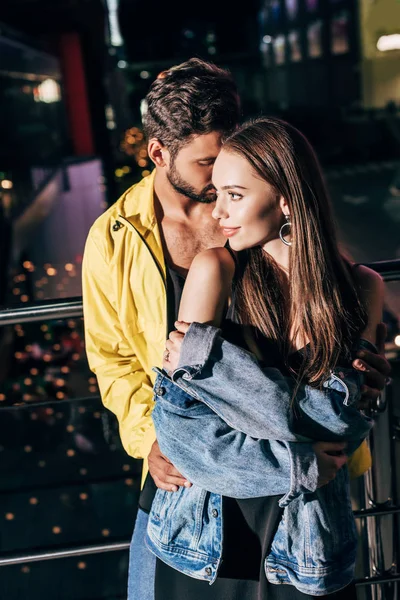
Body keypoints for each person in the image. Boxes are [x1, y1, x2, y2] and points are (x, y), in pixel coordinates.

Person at [81, 60, 390, 599]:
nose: (220, 194)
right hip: (195, 479)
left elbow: (337, 412)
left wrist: (214, 372)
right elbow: (116, 362)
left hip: (307, 512)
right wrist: (150, 435)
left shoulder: (301, 251)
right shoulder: (116, 238)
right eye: (208, 165)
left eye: (234, 180)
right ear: (159, 153)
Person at [146, 117, 385, 599]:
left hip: (309, 541)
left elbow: (337, 425)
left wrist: (225, 374)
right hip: (209, 536)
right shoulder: (215, 270)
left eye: (235, 195)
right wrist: (299, 463)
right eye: (216, 194)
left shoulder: (362, 287)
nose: (217, 214)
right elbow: (182, 431)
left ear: (287, 200)